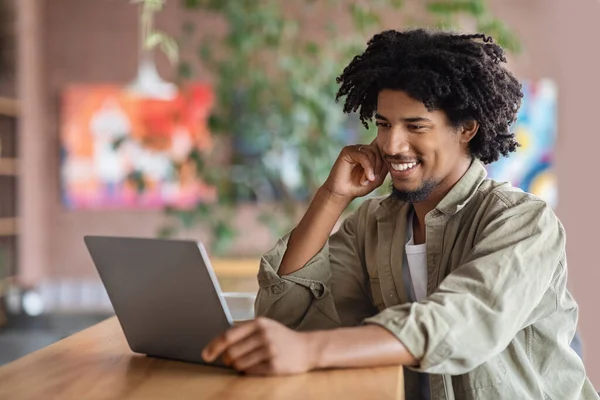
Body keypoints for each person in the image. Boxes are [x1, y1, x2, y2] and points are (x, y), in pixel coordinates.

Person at [202, 29, 598, 399]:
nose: (391, 144)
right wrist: (332, 196)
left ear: (466, 129)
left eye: (416, 126)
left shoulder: (522, 221)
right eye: (384, 124)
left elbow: (458, 323)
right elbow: (287, 319)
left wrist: (309, 350)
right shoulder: (373, 223)